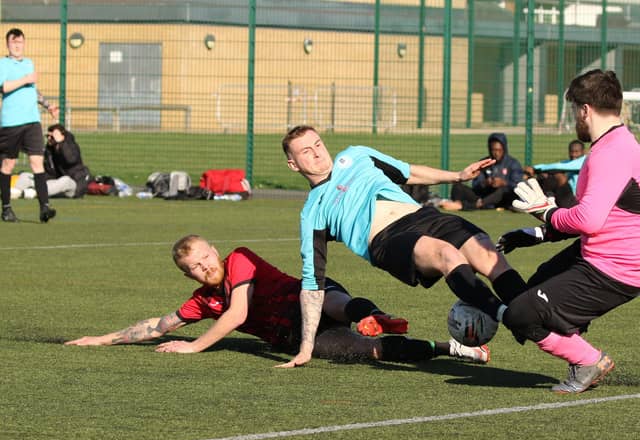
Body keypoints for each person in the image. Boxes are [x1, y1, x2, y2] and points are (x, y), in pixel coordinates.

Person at [280, 125, 529, 368]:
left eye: (318, 144)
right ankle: (508, 316)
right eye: (305, 151)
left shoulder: (356, 155)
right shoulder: (312, 212)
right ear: (293, 164)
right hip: (387, 239)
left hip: (422, 216)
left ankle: (533, 313)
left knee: (485, 252)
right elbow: (313, 283)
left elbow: (408, 172)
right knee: (447, 255)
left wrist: (459, 176)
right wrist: (306, 346)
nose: (316, 152)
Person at [66, 234, 490, 365]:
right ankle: (451, 347)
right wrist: (101, 339)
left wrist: (195, 345)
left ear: (214, 251)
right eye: (193, 268)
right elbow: (160, 325)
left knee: (332, 302)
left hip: (307, 301)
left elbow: (238, 313)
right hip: (291, 338)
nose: (203, 268)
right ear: (186, 273)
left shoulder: (241, 260)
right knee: (372, 353)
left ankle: (376, 315)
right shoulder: (201, 301)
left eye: (204, 259)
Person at [497, 69, 640, 394]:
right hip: (604, 254)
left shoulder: (611, 153)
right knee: (532, 289)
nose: (575, 118)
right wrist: (538, 233)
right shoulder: (618, 144)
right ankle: (576, 344)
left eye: (575, 110)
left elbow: (588, 220)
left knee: (520, 315)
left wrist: (545, 211)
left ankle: (589, 360)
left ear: (585, 110)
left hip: (614, 269)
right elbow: (598, 216)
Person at [0, 28, 58, 223]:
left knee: (36, 162)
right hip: (11, 123)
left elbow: (33, 90)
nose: (17, 45)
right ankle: (7, 209)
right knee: (8, 164)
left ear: (24, 43)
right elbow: (4, 87)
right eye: (13, 42)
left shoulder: (29, 63)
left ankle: (45, 207)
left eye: (20, 42)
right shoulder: (3, 63)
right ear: (8, 44)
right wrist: (26, 79)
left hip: (32, 121)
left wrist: (48, 105)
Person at [440, 132, 524, 211]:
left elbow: (518, 186)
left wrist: (504, 183)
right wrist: (485, 183)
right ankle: (458, 203)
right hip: (485, 196)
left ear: (504, 149)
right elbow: (475, 185)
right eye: (493, 150)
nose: (496, 153)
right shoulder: (484, 162)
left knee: (502, 190)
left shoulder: (513, 163)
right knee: (458, 186)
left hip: (504, 198)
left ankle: (472, 205)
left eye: (499, 150)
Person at [12, 123, 91, 199]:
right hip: (54, 184)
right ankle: (16, 192)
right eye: (48, 136)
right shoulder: (49, 151)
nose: (49, 138)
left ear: (62, 136)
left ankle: (36, 192)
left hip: (73, 185)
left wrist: (61, 143)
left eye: (52, 137)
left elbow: (70, 159)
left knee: (65, 180)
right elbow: (48, 172)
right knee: (26, 175)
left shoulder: (71, 146)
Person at [523, 139, 586, 208]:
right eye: (571, 152)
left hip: (580, 200)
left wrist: (534, 169)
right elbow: (555, 165)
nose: (573, 155)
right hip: (569, 195)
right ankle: (543, 198)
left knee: (559, 176)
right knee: (545, 175)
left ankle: (548, 200)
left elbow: (558, 167)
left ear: (583, 152)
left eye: (577, 152)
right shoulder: (569, 163)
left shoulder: (584, 161)